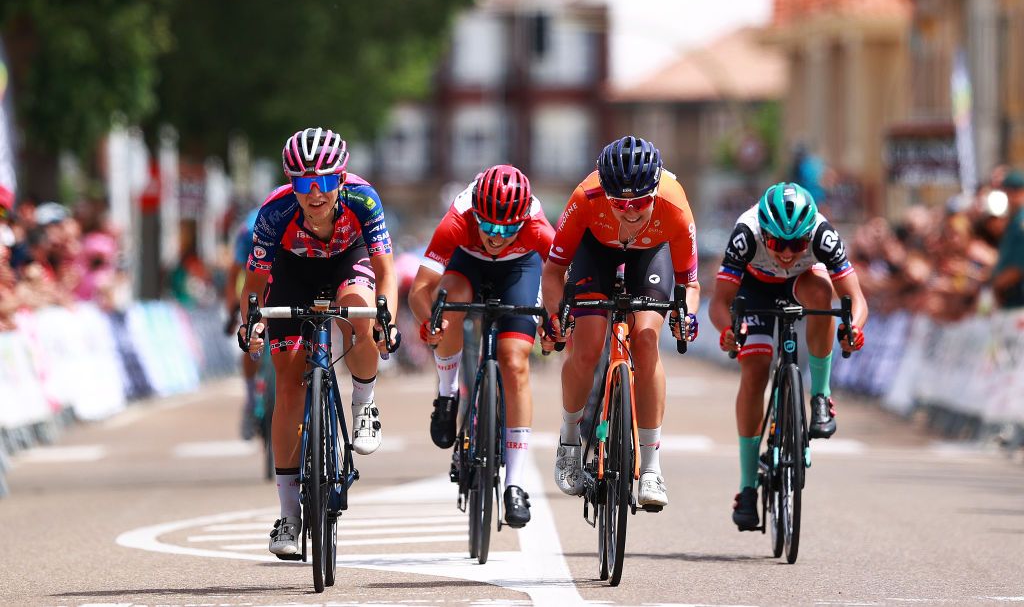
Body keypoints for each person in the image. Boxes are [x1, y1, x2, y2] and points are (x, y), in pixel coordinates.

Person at [236, 127, 400, 558]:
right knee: (289, 382)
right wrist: (251, 324)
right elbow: (253, 285)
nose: (315, 194)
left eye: (325, 182)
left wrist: (387, 320)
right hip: (292, 272)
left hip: (350, 261)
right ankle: (289, 517)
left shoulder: (365, 199)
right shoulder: (274, 211)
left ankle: (364, 403)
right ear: (292, 184)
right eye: (305, 184)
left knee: (360, 313)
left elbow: (385, 272)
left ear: (341, 180)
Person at [542, 135, 700, 510]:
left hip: (651, 257)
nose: (631, 212)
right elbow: (552, 273)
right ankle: (568, 442)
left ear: (655, 191)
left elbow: (690, 284)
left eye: (641, 203)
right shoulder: (585, 197)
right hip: (594, 254)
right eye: (621, 204)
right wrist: (554, 317)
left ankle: (651, 468)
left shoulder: (674, 202)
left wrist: (687, 316)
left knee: (646, 339)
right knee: (588, 344)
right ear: (605, 194)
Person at [708, 182, 867, 532]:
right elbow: (719, 302)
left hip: (802, 282)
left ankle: (821, 395)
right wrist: (727, 331)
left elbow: (854, 297)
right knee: (755, 369)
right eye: (778, 244)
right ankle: (748, 487)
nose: (786, 253)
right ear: (764, 233)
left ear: (808, 235)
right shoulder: (745, 234)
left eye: (796, 245)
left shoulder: (823, 234)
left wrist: (853, 328)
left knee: (822, 292)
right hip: (755, 288)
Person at [407, 165, 554, 528]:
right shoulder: (457, 219)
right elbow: (419, 291)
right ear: (476, 214)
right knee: (449, 306)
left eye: (507, 229)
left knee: (514, 361)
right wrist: (431, 323)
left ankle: (515, 484)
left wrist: (555, 322)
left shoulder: (538, 229)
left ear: (523, 221)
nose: (496, 236)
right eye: (488, 226)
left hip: (520, 270)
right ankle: (447, 394)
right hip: (466, 264)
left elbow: (561, 282)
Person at [224, 206, 261, 439]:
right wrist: (231, 311)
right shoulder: (248, 230)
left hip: (280, 280)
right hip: (251, 286)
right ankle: (250, 399)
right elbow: (234, 273)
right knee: (250, 341)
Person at [991, 169, 1024, 309]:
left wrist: (995, 285)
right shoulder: (1013, 220)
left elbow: (1018, 267)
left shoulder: (1020, 223)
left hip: (1018, 300)